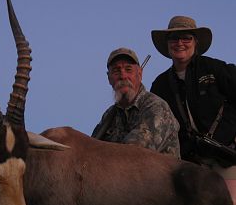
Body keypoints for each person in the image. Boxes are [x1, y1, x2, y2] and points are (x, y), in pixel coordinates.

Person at [150, 15, 236, 168]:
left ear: (195, 43)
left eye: (186, 38)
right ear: (167, 44)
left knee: (228, 192)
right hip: (188, 165)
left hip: (227, 159)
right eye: (174, 38)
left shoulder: (214, 68)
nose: (179, 43)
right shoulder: (160, 85)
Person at [92, 47, 180, 158]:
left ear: (140, 74)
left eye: (128, 70)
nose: (123, 76)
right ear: (109, 78)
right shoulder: (109, 115)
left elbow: (134, 153)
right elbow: (90, 151)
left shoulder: (156, 107)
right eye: (116, 71)